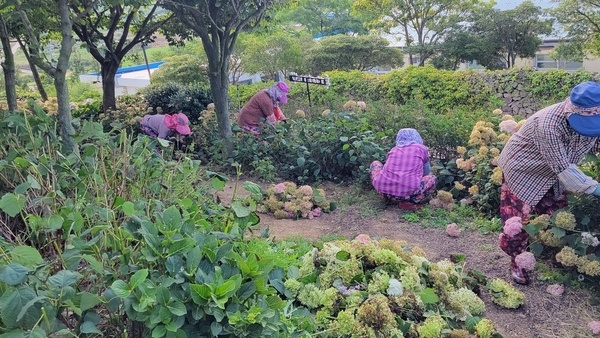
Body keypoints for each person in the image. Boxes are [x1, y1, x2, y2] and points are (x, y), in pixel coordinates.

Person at [497, 81, 600, 285]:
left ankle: (552, 254)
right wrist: (596, 188)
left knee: (557, 214)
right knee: (519, 220)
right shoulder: (548, 124)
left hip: (554, 171)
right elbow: (562, 168)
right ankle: (517, 260)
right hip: (523, 169)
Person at [370, 128, 438, 210]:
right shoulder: (421, 149)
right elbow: (426, 171)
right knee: (432, 179)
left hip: (384, 191)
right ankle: (408, 203)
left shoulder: (394, 150)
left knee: (375, 163)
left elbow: (387, 168)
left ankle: (388, 198)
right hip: (407, 194)